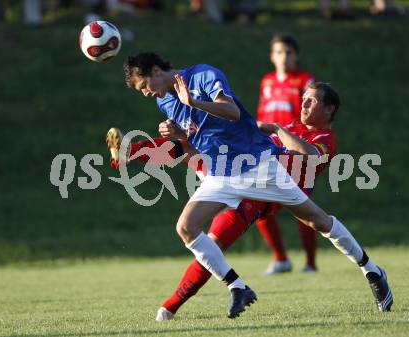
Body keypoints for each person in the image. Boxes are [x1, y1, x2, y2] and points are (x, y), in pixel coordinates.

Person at [121, 52, 393, 318]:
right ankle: (237, 287)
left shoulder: (203, 75)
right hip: (223, 172)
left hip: (259, 167)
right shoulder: (165, 102)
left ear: (156, 71)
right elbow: (196, 139)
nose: (145, 93)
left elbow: (232, 111)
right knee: (186, 227)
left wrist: (192, 101)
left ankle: (371, 269)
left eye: (144, 86)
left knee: (319, 221)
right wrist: (179, 133)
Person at [106, 80, 337, 319]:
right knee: (186, 147)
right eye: (304, 98)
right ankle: (129, 152)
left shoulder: (325, 138)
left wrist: (277, 130)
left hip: (260, 194)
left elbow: (310, 157)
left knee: (213, 245)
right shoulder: (291, 125)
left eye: (312, 100)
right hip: (239, 172)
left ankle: (170, 307)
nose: (304, 103)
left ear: (329, 109)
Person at [256, 34, 319, 274]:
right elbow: (262, 114)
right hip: (270, 150)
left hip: (297, 150)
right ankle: (281, 258)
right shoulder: (268, 81)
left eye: (289, 52)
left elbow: (311, 116)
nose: (284, 56)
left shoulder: (305, 80)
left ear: (297, 55)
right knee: (258, 204)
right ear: (272, 56)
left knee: (302, 208)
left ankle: (311, 263)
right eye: (279, 52)